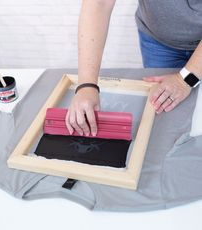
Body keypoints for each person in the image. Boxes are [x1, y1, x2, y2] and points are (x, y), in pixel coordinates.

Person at [65, 0, 202, 137]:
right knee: (165, 117)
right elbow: (98, 3)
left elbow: (184, 82)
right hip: (158, 41)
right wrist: (86, 85)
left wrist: (185, 79)